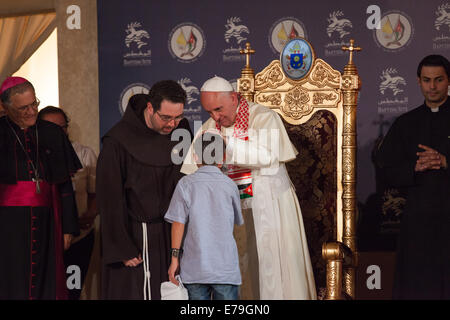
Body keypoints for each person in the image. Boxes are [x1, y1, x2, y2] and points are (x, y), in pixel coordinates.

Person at [181, 76, 317, 300]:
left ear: (233, 98)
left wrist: (228, 143)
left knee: (273, 272)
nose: (215, 117)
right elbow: (194, 171)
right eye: (210, 112)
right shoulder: (209, 128)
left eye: (218, 109)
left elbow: (268, 156)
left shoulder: (264, 117)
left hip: (270, 206)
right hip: (231, 212)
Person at [97, 80, 192, 300]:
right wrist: (122, 246)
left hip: (172, 234)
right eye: (166, 117)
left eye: (177, 117)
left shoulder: (181, 132)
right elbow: (109, 196)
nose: (172, 124)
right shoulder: (119, 140)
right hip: (136, 236)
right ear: (150, 108)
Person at [376, 54, 450, 299]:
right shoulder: (406, 123)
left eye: (438, 80)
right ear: (418, 81)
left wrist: (444, 160)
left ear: (448, 81)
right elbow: (385, 169)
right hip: (418, 224)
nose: (432, 86)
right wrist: (413, 168)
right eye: (427, 80)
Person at [0, 77, 81, 299]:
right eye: (23, 108)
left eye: (34, 103)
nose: (31, 111)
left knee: (46, 280)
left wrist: (67, 228)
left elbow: (64, 186)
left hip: (47, 223)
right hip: (7, 227)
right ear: (5, 108)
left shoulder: (52, 133)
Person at [166, 131, 244, 300]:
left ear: (195, 157)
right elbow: (238, 221)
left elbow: (178, 223)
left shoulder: (185, 184)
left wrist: (174, 259)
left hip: (195, 268)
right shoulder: (230, 185)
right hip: (225, 269)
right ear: (223, 158)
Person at [38, 106, 98, 300]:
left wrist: (89, 214)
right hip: (44, 239)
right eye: (51, 127)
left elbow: (95, 193)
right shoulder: (32, 158)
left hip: (79, 238)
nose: (58, 132)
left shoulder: (84, 154)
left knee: (72, 290)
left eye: (62, 127)